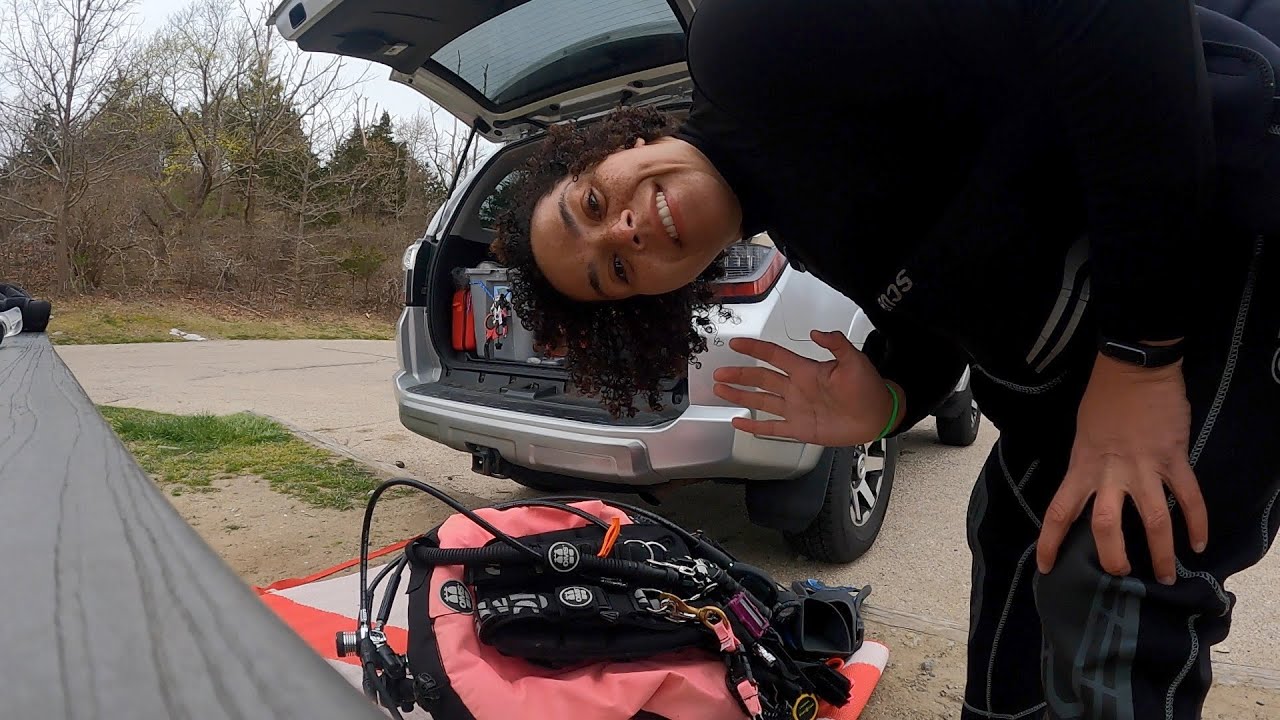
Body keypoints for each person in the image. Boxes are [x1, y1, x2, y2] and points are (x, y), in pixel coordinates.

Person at [487, 1, 1280, 718]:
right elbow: (952, 291)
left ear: (626, 142)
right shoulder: (799, 228)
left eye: (592, 202)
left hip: (1218, 249)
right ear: (664, 290)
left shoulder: (749, 43)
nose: (621, 234)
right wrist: (891, 399)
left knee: (1114, 578)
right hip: (1067, 400)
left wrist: (1141, 354)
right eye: (616, 273)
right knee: (1010, 570)